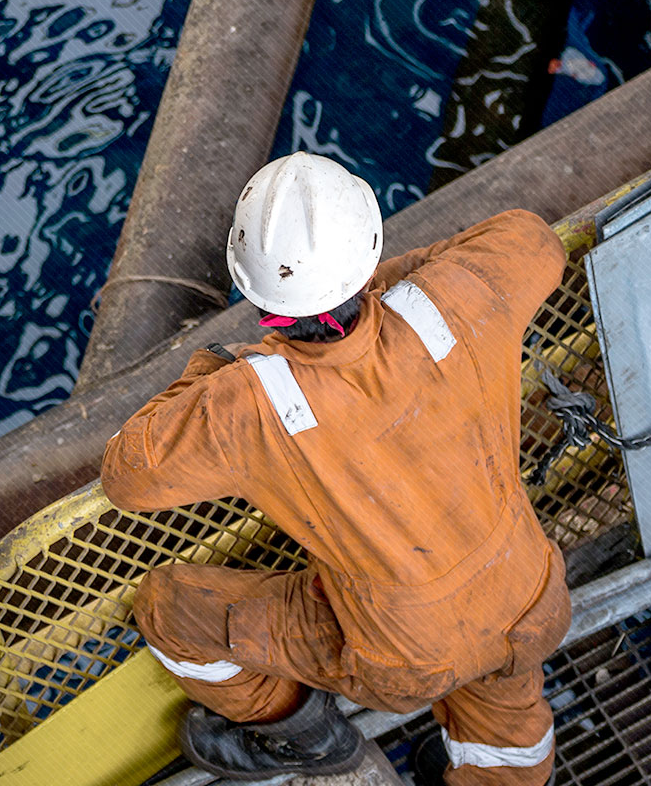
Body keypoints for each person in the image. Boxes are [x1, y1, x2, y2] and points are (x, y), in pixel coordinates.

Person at [100, 152, 571, 784]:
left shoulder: (247, 402)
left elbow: (126, 475)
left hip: (405, 660)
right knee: (505, 717)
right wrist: (393, 288)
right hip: (531, 597)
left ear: (255, 294)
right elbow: (531, 237)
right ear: (366, 255)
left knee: (169, 609)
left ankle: (304, 735)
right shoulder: (457, 297)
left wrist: (216, 368)